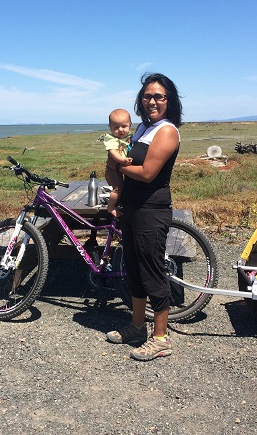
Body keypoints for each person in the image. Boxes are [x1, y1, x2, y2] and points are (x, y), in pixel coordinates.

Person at [105, 73, 183, 361]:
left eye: (159, 96)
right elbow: (124, 155)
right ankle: (137, 327)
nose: (152, 101)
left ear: (169, 101)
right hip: (132, 208)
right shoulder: (140, 128)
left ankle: (161, 338)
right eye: (148, 96)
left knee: (152, 270)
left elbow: (148, 173)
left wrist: (118, 167)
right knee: (134, 269)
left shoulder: (166, 131)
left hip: (152, 210)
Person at [103, 109, 133, 216]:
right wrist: (123, 160)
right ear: (110, 127)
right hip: (113, 170)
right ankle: (111, 207)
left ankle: (120, 203)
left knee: (125, 187)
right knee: (118, 189)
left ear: (130, 124)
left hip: (123, 169)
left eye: (124, 126)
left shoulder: (129, 137)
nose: (120, 130)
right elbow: (113, 153)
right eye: (116, 127)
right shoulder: (111, 139)